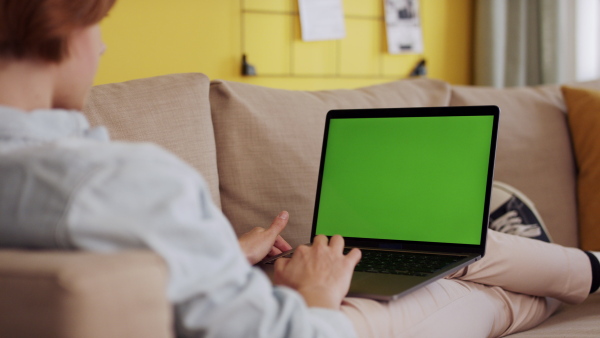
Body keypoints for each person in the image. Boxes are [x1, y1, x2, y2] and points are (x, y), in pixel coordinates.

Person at [0, 0, 598, 337]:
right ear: (59, 25)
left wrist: (224, 257)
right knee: (479, 286)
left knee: (442, 250)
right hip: (317, 324)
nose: (102, 48)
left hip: (260, 299)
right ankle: (581, 277)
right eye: (98, 25)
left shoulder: (48, 180)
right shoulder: (122, 181)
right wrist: (310, 291)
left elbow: (134, 279)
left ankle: (580, 274)